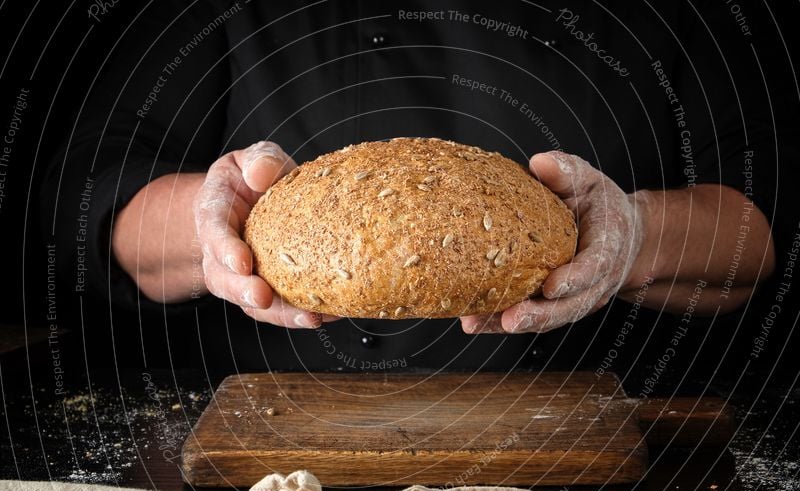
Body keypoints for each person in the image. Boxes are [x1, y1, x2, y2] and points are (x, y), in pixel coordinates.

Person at [43, 0, 792, 376]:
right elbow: (92, 198)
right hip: (267, 450)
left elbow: (763, 233)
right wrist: (208, 225)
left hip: (587, 439)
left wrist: (634, 235)